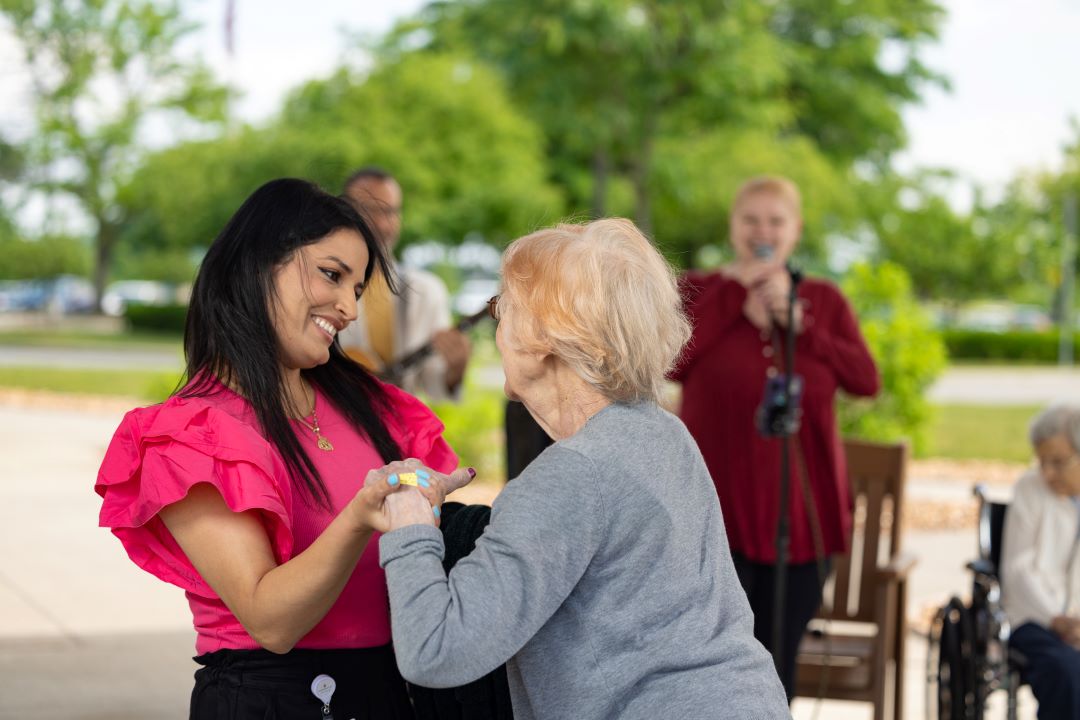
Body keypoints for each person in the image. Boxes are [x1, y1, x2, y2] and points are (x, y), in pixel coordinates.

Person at [370, 218, 791, 719]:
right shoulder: (664, 433)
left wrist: (411, 520)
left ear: (545, 334)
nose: (496, 328)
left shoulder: (571, 476)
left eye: (502, 307)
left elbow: (434, 650)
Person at [95, 178, 464, 719]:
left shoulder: (371, 405)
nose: (348, 309)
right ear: (256, 264)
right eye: (332, 275)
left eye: (357, 289)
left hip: (391, 692)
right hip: (272, 698)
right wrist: (361, 515)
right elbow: (271, 622)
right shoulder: (192, 434)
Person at [669, 175, 880, 699]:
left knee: (777, 659)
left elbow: (865, 380)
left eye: (775, 221)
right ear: (733, 227)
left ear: (795, 230)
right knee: (711, 662)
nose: (763, 230)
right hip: (714, 513)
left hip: (801, 518)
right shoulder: (702, 292)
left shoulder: (824, 301)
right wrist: (736, 301)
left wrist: (799, 323)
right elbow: (670, 362)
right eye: (752, 220)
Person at [337, 167, 471, 401]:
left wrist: (456, 368)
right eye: (368, 210)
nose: (380, 223)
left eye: (389, 211)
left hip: (397, 427)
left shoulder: (428, 291)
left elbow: (435, 386)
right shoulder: (322, 283)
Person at [1001, 404, 1080, 719]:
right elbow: (1017, 568)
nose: (1047, 472)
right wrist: (1056, 618)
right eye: (1042, 461)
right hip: (1035, 619)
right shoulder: (1029, 490)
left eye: (1058, 462)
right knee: (1067, 672)